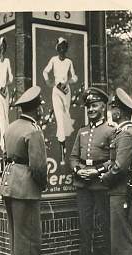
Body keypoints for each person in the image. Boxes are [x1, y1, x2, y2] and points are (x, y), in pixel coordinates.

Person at [0, 86, 48, 255]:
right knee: (30, 235)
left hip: (9, 184)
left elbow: (5, 157)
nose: (42, 110)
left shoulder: (11, 127)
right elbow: (38, 166)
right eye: (41, 106)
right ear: (36, 109)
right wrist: (42, 184)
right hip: (26, 187)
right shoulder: (33, 131)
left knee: (16, 234)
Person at [98, 88, 132, 255]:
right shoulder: (125, 132)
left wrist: (104, 177)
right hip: (123, 187)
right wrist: (104, 167)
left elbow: (120, 168)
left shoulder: (125, 134)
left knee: (123, 234)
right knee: (123, 232)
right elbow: (117, 162)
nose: (110, 112)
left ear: (119, 112)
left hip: (122, 189)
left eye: (112, 108)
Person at [69, 87, 115, 255]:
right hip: (83, 183)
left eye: (94, 105)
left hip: (100, 183)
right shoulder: (82, 132)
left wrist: (96, 171)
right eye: (88, 107)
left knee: (105, 222)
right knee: (84, 222)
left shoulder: (111, 130)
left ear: (103, 107)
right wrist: (78, 170)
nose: (91, 110)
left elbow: (114, 159)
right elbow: (73, 157)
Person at [43, 37, 78, 165]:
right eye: (60, 47)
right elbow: (45, 71)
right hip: (57, 91)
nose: (62, 49)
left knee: (65, 118)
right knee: (59, 119)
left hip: (66, 91)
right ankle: (62, 154)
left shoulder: (69, 62)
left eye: (64, 47)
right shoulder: (53, 60)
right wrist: (49, 82)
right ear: (57, 48)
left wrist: (68, 82)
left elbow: (74, 76)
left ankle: (66, 148)